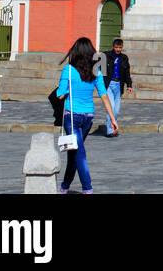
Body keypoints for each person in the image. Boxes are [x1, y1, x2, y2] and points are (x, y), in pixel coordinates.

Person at [56, 37, 118, 192]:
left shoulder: (68, 70)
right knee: (74, 152)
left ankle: (87, 188)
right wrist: (112, 118)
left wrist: (65, 88)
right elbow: (104, 95)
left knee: (79, 153)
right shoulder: (96, 70)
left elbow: (60, 95)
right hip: (88, 116)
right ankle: (64, 186)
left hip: (72, 116)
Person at [100, 38, 134, 137]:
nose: (118, 49)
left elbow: (127, 72)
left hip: (119, 85)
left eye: (120, 47)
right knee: (111, 107)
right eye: (116, 47)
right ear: (113, 46)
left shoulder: (124, 58)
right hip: (109, 84)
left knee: (116, 109)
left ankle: (114, 127)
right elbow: (98, 68)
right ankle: (110, 131)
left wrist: (129, 85)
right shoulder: (106, 55)